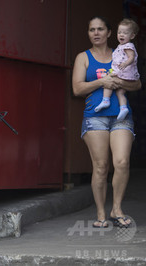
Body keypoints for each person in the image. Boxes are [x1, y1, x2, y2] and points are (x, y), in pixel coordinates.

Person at [72, 16, 141, 228]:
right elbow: (77, 89)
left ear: (110, 33)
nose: (96, 33)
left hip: (121, 115)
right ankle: (101, 214)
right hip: (95, 117)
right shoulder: (83, 57)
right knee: (101, 167)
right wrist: (102, 81)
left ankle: (116, 209)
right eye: (92, 29)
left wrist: (118, 81)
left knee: (121, 162)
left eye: (100, 29)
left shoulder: (121, 53)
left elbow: (136, 84)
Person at [94, 18, 140, 121]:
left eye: (125, 33)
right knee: (120, 92)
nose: (121, 35)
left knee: (108, 80)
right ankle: (123, 108)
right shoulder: (121, 46)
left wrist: (125, 63)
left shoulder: (128, 46)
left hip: (124, 73)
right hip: (123, 73)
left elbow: (131, 57)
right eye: (119, 32)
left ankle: (106, 100)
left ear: (132, 36)